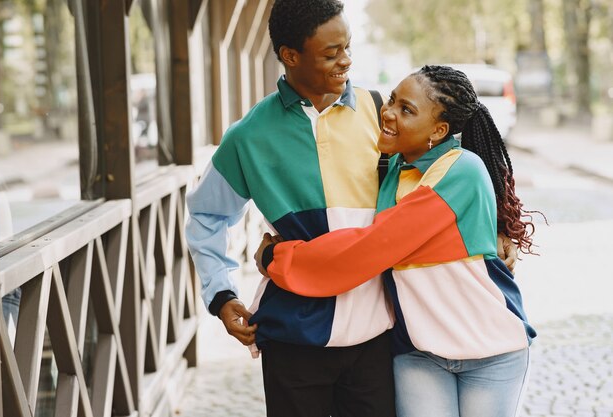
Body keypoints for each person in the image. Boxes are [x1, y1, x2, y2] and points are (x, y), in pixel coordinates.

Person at [186, 0, 516, 414]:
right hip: (293, 339)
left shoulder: (381, 114)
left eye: (347, 47)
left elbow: (447, 161)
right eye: (331, 53)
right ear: (291, 56)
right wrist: (220, 293)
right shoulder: (248, 137)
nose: (346, 61)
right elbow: (205, 216)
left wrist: (498, 228)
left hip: (378, 339)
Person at [255, 65, 538, 417]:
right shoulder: (392, 172)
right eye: (392, 100)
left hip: (491, 353)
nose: (387, 113)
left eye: (407, 110)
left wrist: (274, 257)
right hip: (421, 354)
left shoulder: (462, 170)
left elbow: (363, 250)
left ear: (439, 130)